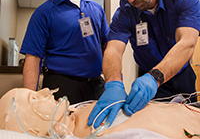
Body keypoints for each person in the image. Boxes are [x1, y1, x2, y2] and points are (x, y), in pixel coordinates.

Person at [87, 0, 200, 129]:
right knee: (154, 128)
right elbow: (113, 50)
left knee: (187, 127)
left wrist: (155, 77)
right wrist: (113, 83)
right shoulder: (124, 13)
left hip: (180, 76)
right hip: (146, 80)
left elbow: (187, 44)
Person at [20, 0, 109, 104]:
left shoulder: (96, 8)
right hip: (62, 86)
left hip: (96, 85)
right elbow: (33, 58)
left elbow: (109, 47)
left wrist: (114, 82)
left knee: (101, 127)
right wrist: (30, 99)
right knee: (63, 128)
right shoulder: (44, 12)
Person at [0, 88, 200, 139]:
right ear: (32, 130)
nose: (45, 91)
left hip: (188, 106)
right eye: (34, 98)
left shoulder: (74, 111)